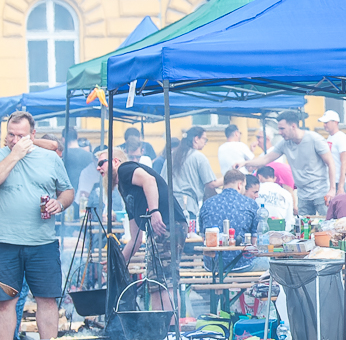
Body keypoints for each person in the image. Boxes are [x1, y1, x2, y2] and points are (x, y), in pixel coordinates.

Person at [0, 111, 74, 340]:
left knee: (47, 299)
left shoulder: (49, 158)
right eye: (10, 134)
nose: (14, 139)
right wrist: (15, 154)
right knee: (6, 300)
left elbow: (67, 190)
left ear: (32, 135)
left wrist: (60, 203)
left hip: (41, 242)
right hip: (3, 241)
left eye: (20, 135)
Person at [99, 147, 183, 295]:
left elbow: (149, 180)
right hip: (159, 229)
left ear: (115, 161)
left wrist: (154, 211)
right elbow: (136, 239)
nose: (98, 167)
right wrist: (118, 262)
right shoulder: (124, 188)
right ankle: (159, 318)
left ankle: (169, 318)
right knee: (156, 284)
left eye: (101, 163)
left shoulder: (125, 169)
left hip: (167, 225)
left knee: (165, 282)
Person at [251, 111, 332, 216]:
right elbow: (266, 159)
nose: (279, 132)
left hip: (321, 193)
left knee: (328, 224)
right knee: (303, 227)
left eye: (282, 128)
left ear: (293, 126)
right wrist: (245, 162)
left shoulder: (314, 139)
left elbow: (331, 163)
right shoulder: (285, 144)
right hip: (303, 195)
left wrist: (333, 189)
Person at [198, 169, 263, 273]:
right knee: (272, 263)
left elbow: (203, 238)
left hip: (212, 265)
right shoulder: (250, 204)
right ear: (239, 185)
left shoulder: (207, 204)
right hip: (243, 263)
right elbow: (255, 243)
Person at [167, 126, 218, 219]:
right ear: (196, 139)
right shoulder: (199, 157)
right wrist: (228, 177)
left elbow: (163, 180)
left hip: (170, 205)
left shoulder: (172, 156)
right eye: (204, 139)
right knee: (189, 233)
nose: (205, 143)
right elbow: (211, 184)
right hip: (188, 207)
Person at [319, 112, 346, 193]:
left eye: (326, 122)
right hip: (332, 181)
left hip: (340, 181)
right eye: (324, 123)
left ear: (335, 122)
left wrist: (341, 186)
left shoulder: (341, 138)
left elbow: (344, 162)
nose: (324, 125)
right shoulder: (330, 138)